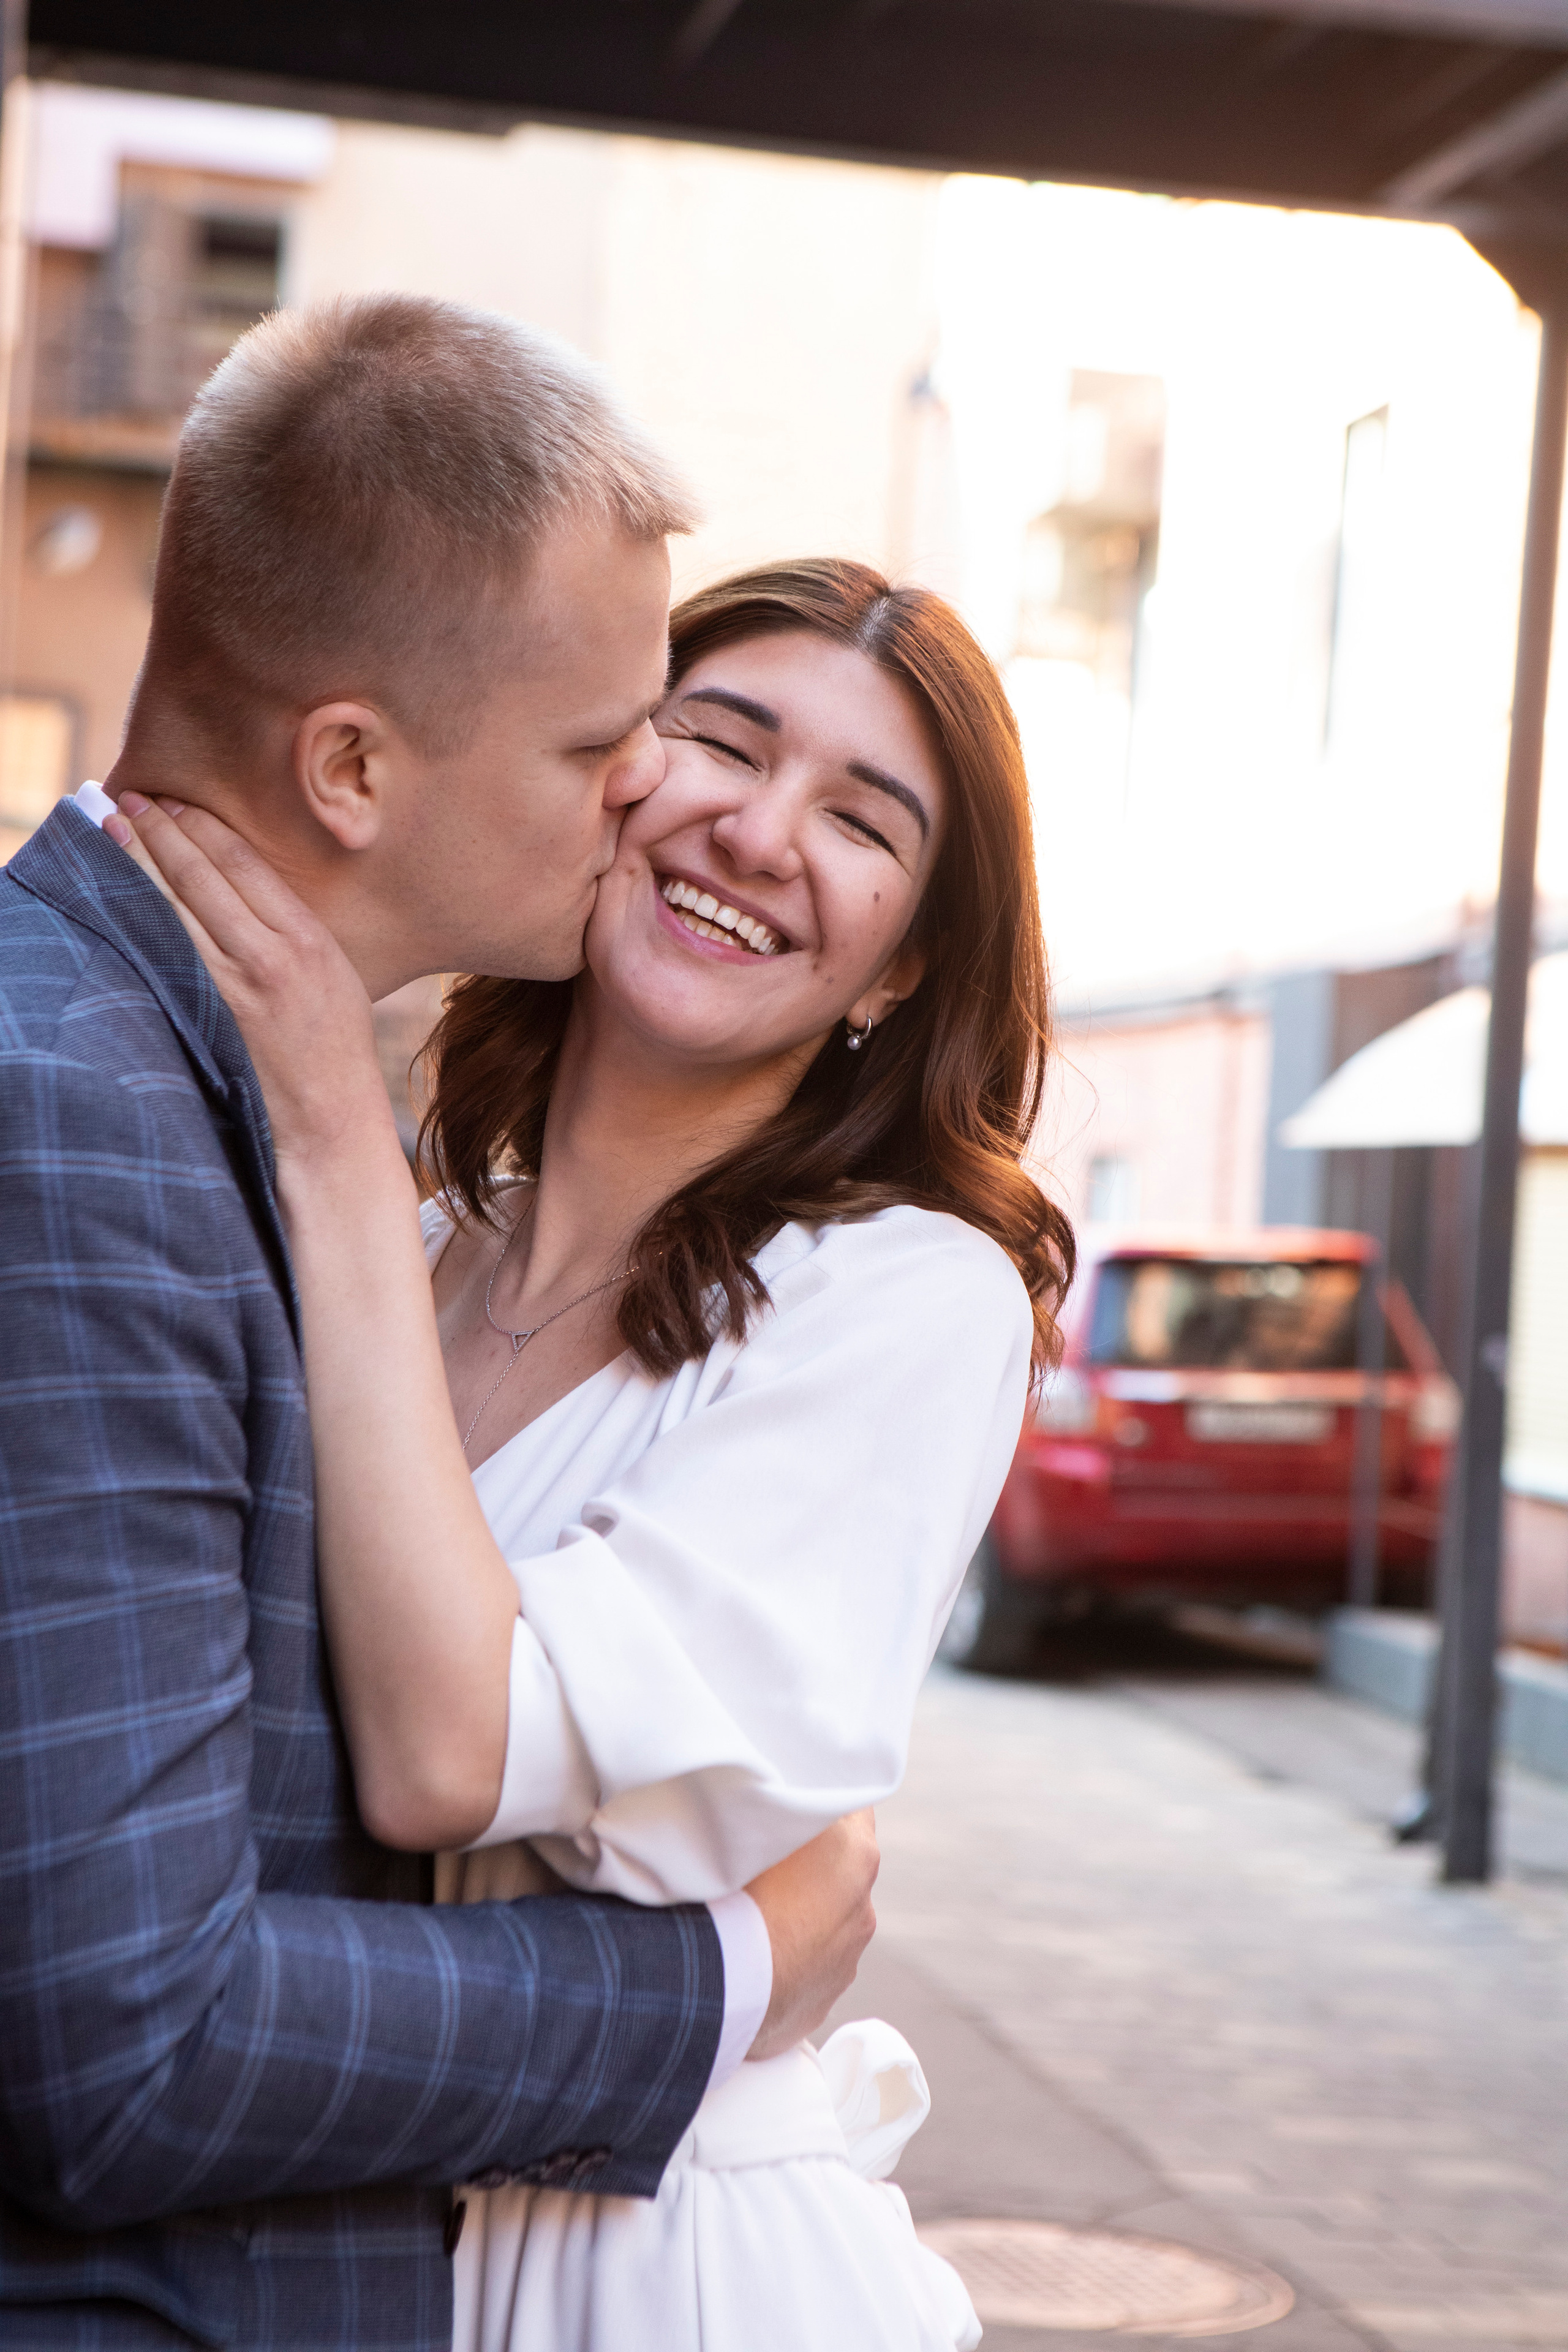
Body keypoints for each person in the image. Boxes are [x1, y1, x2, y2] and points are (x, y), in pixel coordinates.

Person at [0, 296, 879, 2352]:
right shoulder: (77, 1125)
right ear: (354, 766)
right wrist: (720, 1981)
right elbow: (127, 2047)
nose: (653, 786)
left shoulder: (190, 1082)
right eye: (599, 740)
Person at [113, 553, 1074, 2351]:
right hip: (335, 2227)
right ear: (606, 774)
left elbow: (443, 1758)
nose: (759, 831)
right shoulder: (405, 1255)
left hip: (670, 2272)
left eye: (863, 819)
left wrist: (330, 1121)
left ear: (909, 958)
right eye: (720, 738)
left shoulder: (907, 1300)